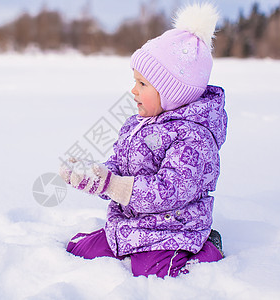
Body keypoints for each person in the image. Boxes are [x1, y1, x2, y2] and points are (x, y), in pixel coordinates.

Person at [59, 3, 227, 278]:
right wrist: (94, 176)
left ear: (173, 93)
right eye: (134, 81)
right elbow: (121, 167)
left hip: (174, 229)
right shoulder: (138, 125)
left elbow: (169, 190)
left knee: (151, 271)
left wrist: (112, 185)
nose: (133, 90)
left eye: (143, 84)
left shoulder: (193, 137)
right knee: (80, 250)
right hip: (132, 225)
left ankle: (208, 248)